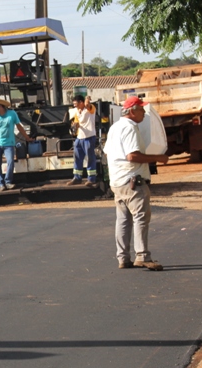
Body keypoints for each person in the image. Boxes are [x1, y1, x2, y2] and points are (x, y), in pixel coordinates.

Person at [104, 95, 169, 270]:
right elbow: (132, 156)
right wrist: (158, 158)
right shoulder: (130, 128)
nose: (144, 114)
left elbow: (108, 153)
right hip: (132, 180)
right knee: (140, 217)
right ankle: (142, 255)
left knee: (123, 220)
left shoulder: (115, 127)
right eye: (141, 110)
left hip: (117, 180)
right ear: (132, 111)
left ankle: (123, 257)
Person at [0, 99, 32, 191]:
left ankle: (8, 182)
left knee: (10, 161)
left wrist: (27, 137)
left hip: (9, 144)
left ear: (0, 106)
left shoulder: (12, 114)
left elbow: (19, 126)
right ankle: (1, 184)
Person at [67, 95, 99, 187]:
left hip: (89, 137)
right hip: (79, 137)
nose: (75, 106)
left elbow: (88, 105)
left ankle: (91, 179)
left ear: (81, 102)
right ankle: (77, 177)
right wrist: (75, 126)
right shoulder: (77, 112)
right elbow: (77, 123)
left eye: (76, 104)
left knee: (90, 158)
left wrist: (87, 100)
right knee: (77, 158)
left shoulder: (90, 109)